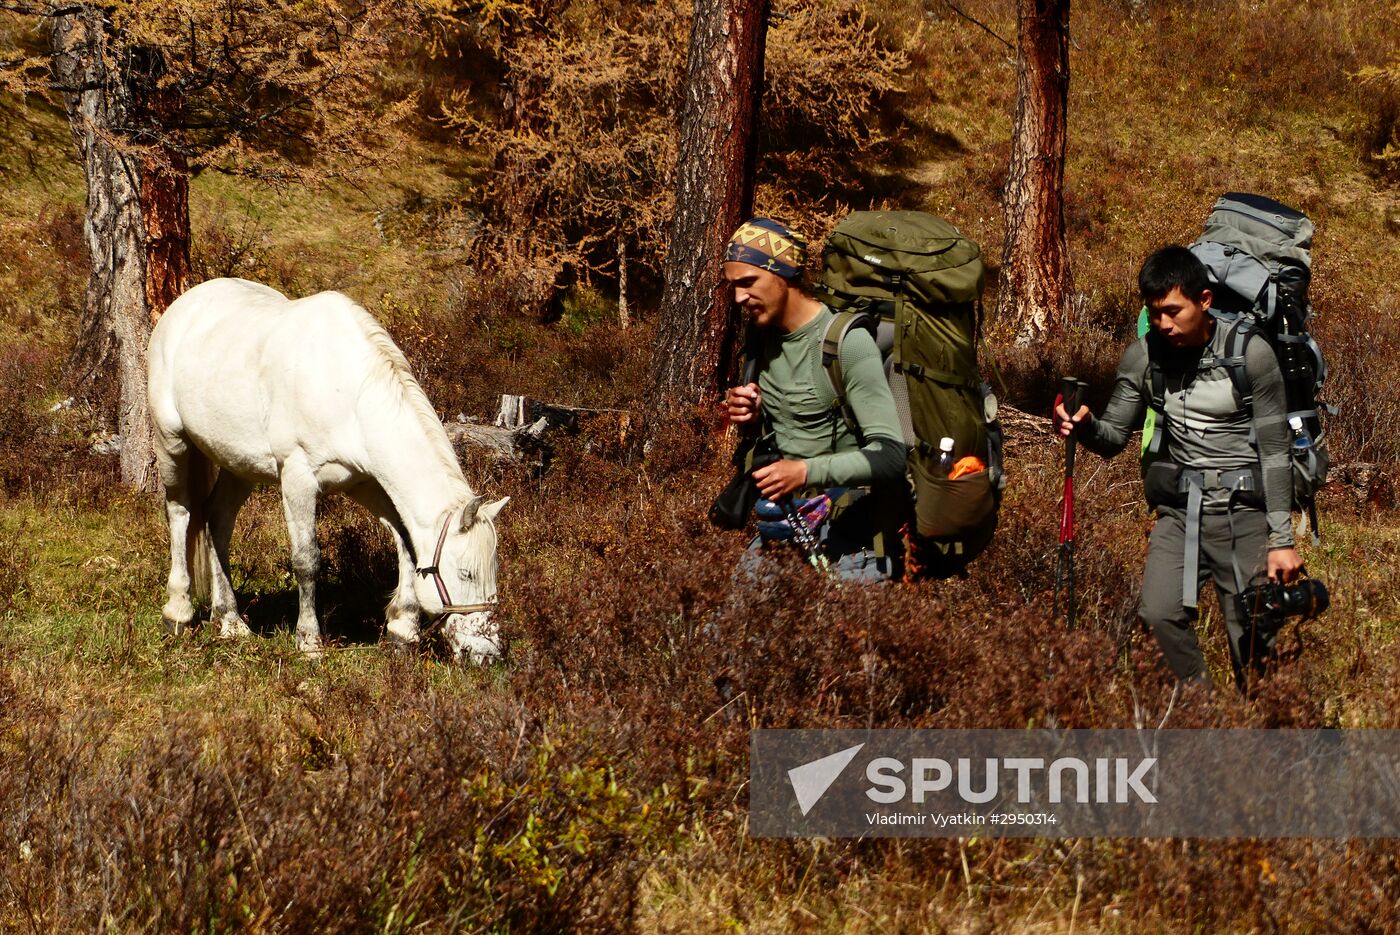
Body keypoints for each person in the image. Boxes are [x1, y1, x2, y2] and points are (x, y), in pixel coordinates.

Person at [1053, 245, 1303, 690]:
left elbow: (1276, 452)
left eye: (1172, 311)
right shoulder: (1145, 355)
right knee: (1159, 611)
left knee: (1250, 636)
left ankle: (1270, 731)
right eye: (1154, 313)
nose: (1163, 324)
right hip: (1179, 513)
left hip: (1243, 513)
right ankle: (1203, 715)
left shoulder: (1252, 354)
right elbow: (1113, 436)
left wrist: (1281, 541)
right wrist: (1085, 426)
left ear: (1204, 300)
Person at [721, 217, 907, 582]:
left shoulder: (847, 344)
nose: (738, 297)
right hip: (780, 532)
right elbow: (796, 425)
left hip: (852, 548)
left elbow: (891, 454)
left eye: (747, 282)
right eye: (732, 286)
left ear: (784, 274)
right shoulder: (761, 337)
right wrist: (754, 415)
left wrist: (805, 471)